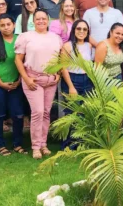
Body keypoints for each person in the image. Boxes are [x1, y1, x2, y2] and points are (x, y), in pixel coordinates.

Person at [15, 9, 62, 159]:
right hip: (33, 79)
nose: (41, 21)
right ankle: (35, 147)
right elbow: (18, 60)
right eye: (38, 19)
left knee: (47, 112)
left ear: (48, 20)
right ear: (33, 21)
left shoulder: (55, 37)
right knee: (38, 112)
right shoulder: (25, 37)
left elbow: (61, 58)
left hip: (50, 80)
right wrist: (26, 79)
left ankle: (44, 144)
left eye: (44, 19)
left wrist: (58, 74)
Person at [0, 14, 27, 156]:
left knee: (18, 114)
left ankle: (17, 143)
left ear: (14, 24)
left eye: (8, 24)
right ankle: (0, 145)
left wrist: (20, 79)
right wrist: (1, 83)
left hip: (15, 83)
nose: (6, 27)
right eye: (2, 25)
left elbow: (24, 62)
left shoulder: (19, 40)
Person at [60, 19, 93, 149]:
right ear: (74, 30)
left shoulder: (89, 46)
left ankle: (81, 142)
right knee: (72, 112)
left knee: (84, 112)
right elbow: (63, 68)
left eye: (85, 29)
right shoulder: (67, 46)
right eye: (79, 29)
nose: (81, 31)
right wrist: (71, 87)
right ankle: (69, 144)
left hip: (87, 80)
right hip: (72, 80)